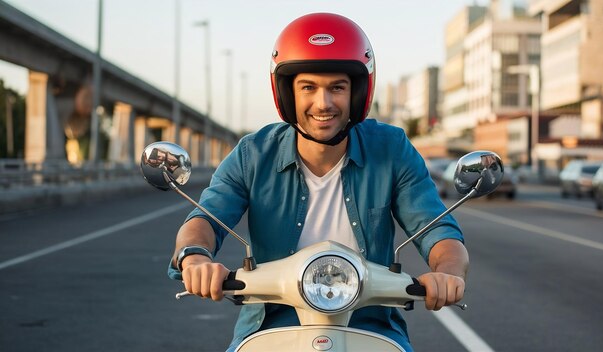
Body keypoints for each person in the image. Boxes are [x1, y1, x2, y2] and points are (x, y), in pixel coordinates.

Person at [168, 12, 468, 352]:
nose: (323, 104)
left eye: (336, 88)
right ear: (288, 93)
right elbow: (205, 219)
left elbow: (438, 231)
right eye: (308, 87)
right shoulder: (253, 153)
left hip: (371, 326)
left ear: (356, 93)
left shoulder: (392, 149)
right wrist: (195, 259)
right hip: (268, 325)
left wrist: (448, 273)